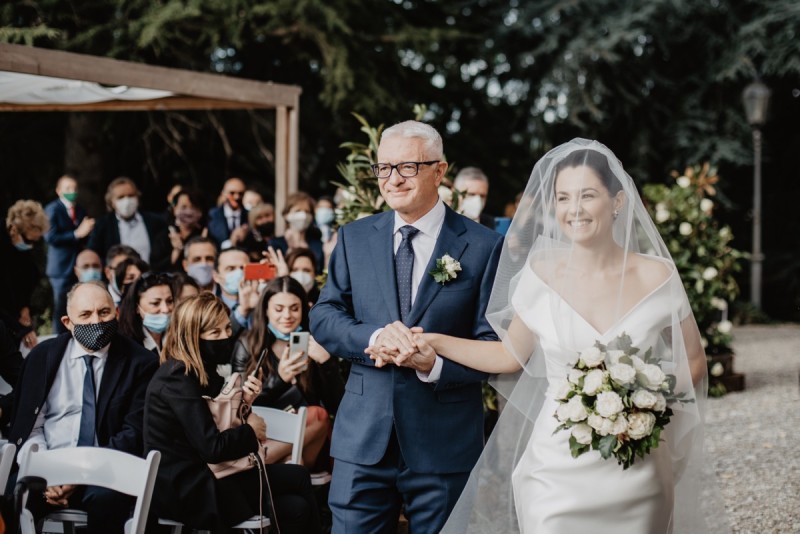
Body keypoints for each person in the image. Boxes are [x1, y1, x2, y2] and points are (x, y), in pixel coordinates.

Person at [384, 139, 709, 533]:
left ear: (618, 201)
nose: (574, 209)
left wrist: (642, 401)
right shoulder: (540, 274)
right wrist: (435, 341)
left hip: (637, 469)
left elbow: (694, 361)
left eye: (587, 195)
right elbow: (507, 355)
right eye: (563, 198)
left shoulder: (657, 276)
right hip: (555, 471)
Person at [309, 120, 503, 533]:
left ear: (439, 171)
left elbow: (495, 346)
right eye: (384, 167)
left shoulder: (484, 246)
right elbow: (324, 316)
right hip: (364, 440)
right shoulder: (354, 238)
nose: (393, 179)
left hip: (444, 443)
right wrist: (374, 337)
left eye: (408, 167)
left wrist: (434, 364)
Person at [143, 292, 322, 533]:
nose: (226, 337)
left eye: (227, 329)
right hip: (188, 487)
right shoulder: (177, 379)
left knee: (297, 495)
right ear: (193, 336)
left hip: (211, 473)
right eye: (215, 333)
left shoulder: (201, 371)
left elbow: (219, 423)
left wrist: (246, 401)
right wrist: (251, 430)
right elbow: (213, 447)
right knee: (296, 492)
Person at [7, 281, 158, 534]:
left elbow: (133, 432)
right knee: (13, 494)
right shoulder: (42, 357)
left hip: (107, 468)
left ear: (116, 313)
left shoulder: (140, 362)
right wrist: (49, 472)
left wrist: (82, 473)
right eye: (85, 315)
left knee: (107, 501)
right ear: (68, 322)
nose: (96, 321)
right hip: (48, 465)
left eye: (104, 312)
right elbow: (31, 427)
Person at [232, 276, 343, 469]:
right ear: (265, 310)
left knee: (317, 415)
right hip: (264, 429)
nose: (287, 315)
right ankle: (269, 460)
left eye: (294, 308)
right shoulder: (248, 344)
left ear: (304, 309)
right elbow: (239, 407)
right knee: (294, 462)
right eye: (278, 309)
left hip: (310, 433)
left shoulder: (314, 344)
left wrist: (327, 363)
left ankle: (256, 463)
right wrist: (280, 380)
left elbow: (337, 405)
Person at [44, 175, 95, 334]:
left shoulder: (80, 209)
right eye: (68, 188)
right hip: (61, 268)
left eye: (74, 188)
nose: (72, 191)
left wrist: (88, 231)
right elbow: (50, 237)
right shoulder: (52, 209)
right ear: (59, 191)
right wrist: (76, 233)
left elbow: (83, 238)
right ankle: (59, 340)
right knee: (61, 308)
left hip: (78, 267)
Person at [87, 177, 171, 271]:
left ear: (137, 197)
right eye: (121, 197)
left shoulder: (155, 222)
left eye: (131, 195)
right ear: (112, 202)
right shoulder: (102, 226)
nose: (127, 201)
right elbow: (92, 255)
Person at [1, 200, 49, 350]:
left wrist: (24, 307)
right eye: (28, 240)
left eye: (35, 242)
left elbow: (26, 279)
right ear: (13, 230)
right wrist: (23, 329)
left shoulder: (22, 251)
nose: (31, 245)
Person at [118, 273, 175, 356]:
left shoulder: (179, 336)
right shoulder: (126, 345)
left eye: (169, 301)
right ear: (137, 307)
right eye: (155, 303)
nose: (165, 309)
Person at [272, 192, 324, 271]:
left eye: (307, 211)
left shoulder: (318, 245)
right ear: (286, 215)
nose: (303, 215)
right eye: (297, 211)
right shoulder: (276, 244)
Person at [167, 188, 207, 268]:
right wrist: (176, 251)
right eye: (183, 207)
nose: (188, 212)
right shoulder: (164, 236)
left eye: (193, 207)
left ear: (200, 211)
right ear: (174, 209)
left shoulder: (206, 236)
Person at [207, 177, 249, 249]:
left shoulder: (249, 215)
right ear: (223, 193)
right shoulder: (213, 215)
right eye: (232, 193)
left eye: (240, 193)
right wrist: (232, 241)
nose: (237, 197)